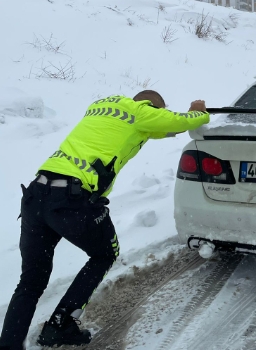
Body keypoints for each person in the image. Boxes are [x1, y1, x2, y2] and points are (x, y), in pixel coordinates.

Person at [0, 91, 210, 350]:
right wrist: (198, 110)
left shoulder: (102, 105)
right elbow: (178, 122)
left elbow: (156, 130)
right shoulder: (142, 112)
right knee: (105, 254)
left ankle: (8, 344)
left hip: (36, 195)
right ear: (155, 107)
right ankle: (60, 325)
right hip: (72, 199)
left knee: (31, 280)